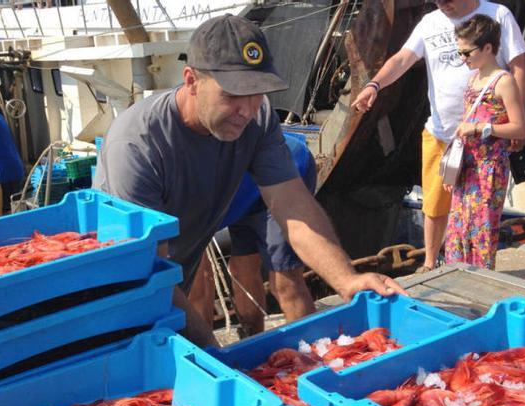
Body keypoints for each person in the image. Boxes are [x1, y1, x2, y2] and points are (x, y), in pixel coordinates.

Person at [94, 14, 404, 347]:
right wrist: (212, 351)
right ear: (191, 80)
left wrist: (347, 280)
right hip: (118, 302)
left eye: (257, 92)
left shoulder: (257, 118)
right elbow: (150, 269)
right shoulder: (138, 145)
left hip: (167, 286)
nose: (247, 109)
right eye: (232, 95)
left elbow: (292, 206)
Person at [352, 0, 525, 273]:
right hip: (442, 132)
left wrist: (516, 120)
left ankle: (479, 270)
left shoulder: (498, 15)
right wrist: (375, 84)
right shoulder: (430, 22)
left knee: (479, 213)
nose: (442, 5)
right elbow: (401, 59)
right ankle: (431, 261)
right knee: (437, 203)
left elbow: (518, 66)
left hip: (484, 144)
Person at [189, 133, 318, 336]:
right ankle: (252, 337)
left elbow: (200, 290)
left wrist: (205, 349)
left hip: (284, 171)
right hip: (240, 195)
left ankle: (311, 353)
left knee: (284, 281)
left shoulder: (184, 208)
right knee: (241, 270)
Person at [444, 16, 525, 269]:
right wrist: (451, 171)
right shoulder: (473, 79)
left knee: (481, 234)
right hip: (468, 167)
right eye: (460, 52)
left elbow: (520, 128)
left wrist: (482, 128)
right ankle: (458, 278)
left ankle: (479, 283)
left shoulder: (503, 81)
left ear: (488, 48)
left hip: (489, 169)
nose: (463, 58)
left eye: (467, 52)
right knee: (458, 232)